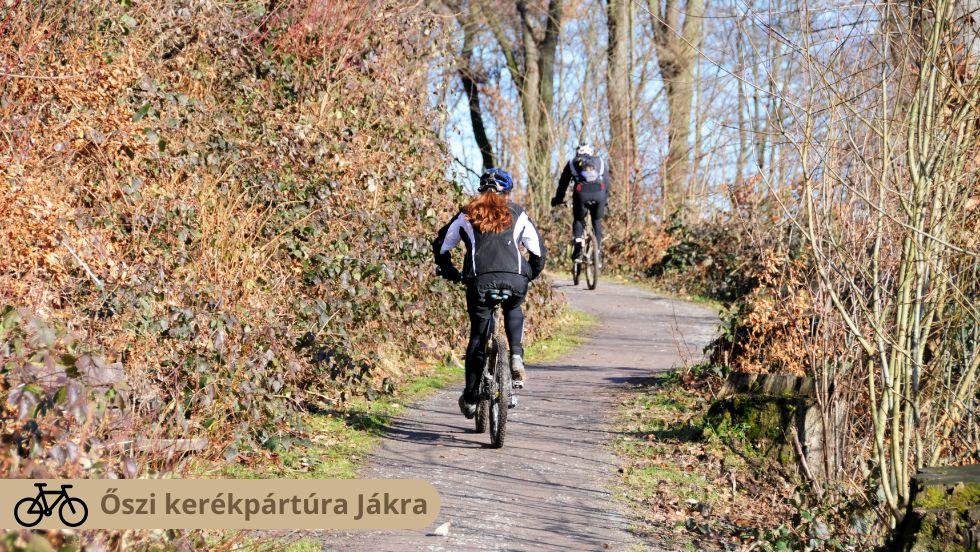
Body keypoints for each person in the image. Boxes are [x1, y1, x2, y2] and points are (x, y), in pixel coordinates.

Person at [433, 168, 546, 419]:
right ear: (507, 192)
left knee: (478, 336)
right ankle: (516, 355)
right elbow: (538, 252)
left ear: (480, 190)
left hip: (479, 281)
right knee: (513, 307)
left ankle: (472, 399)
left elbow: (442, 245)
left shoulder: (467, 214)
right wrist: (530, 275)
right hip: (515, 280)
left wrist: (451, 272)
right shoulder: (518, 213)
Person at [550, 143, 610, 264]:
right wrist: (605, 199)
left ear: (578, 152)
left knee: (578, 219)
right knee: (596, 221)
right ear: (590, 152)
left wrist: (558, 199)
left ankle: (578, 241)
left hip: (581, 194)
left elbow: (563, 184)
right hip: (600, 193)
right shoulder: (600, 161)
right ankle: (597, 252)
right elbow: (607, 182)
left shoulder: (572, 162)